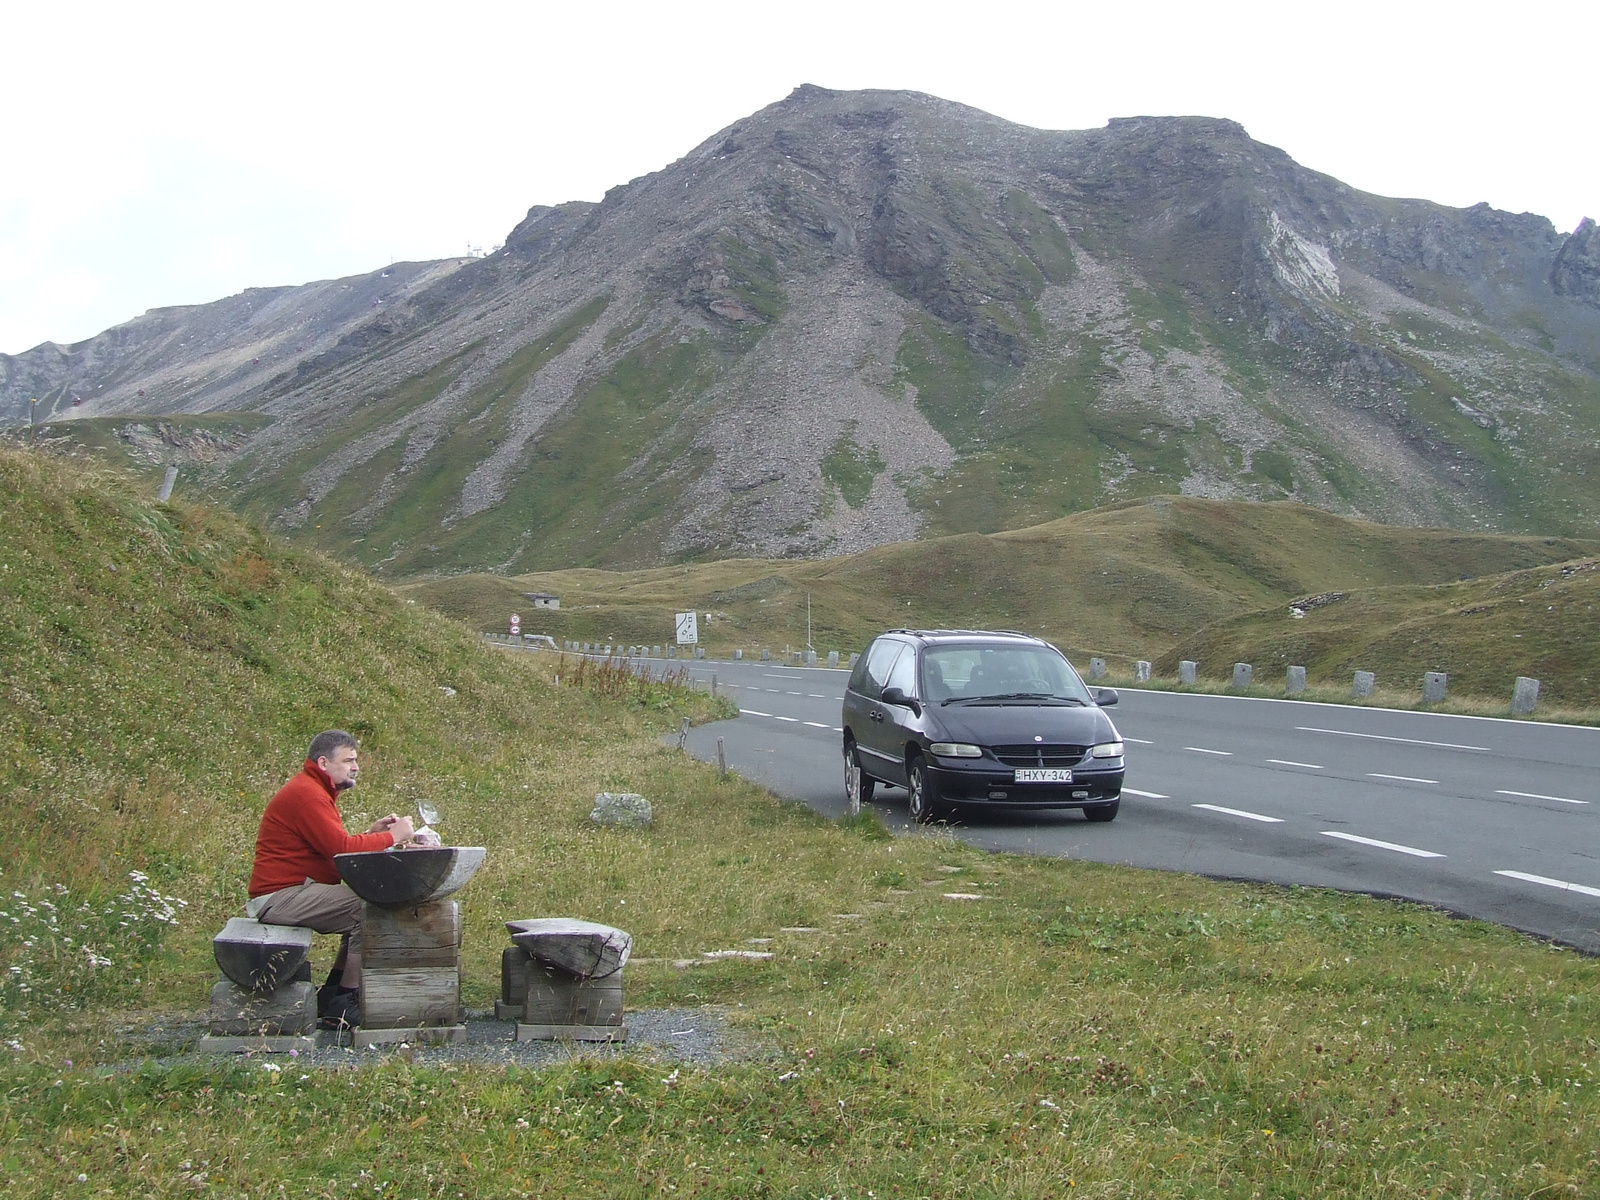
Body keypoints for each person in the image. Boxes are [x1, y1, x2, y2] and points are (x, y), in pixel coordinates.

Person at [247, 730, 413, 1029]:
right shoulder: (308, 795)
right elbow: (341, 850)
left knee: (363, 906)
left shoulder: (313, 791)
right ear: (323, 763)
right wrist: (391, 836)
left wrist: (375, 836)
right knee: (369, 908)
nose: (355, 766)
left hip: (289, 892)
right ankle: (344, 1001)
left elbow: (334, 855)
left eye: (356, 760)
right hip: (280, 897)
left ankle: (333, 993)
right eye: (348, 760)